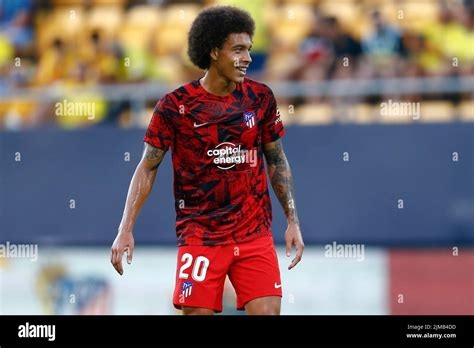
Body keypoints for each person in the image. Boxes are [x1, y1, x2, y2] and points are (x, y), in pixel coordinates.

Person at [110, 6, 304, 315]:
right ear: (214, 51)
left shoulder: (260, 98)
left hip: (253, 233)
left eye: (249, 49)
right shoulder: (175, 106)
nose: (248, 58)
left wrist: (292, 219)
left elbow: (277, 159)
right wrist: (125, 228)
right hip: (200, 236)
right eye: (238, 49)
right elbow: (147, 167)